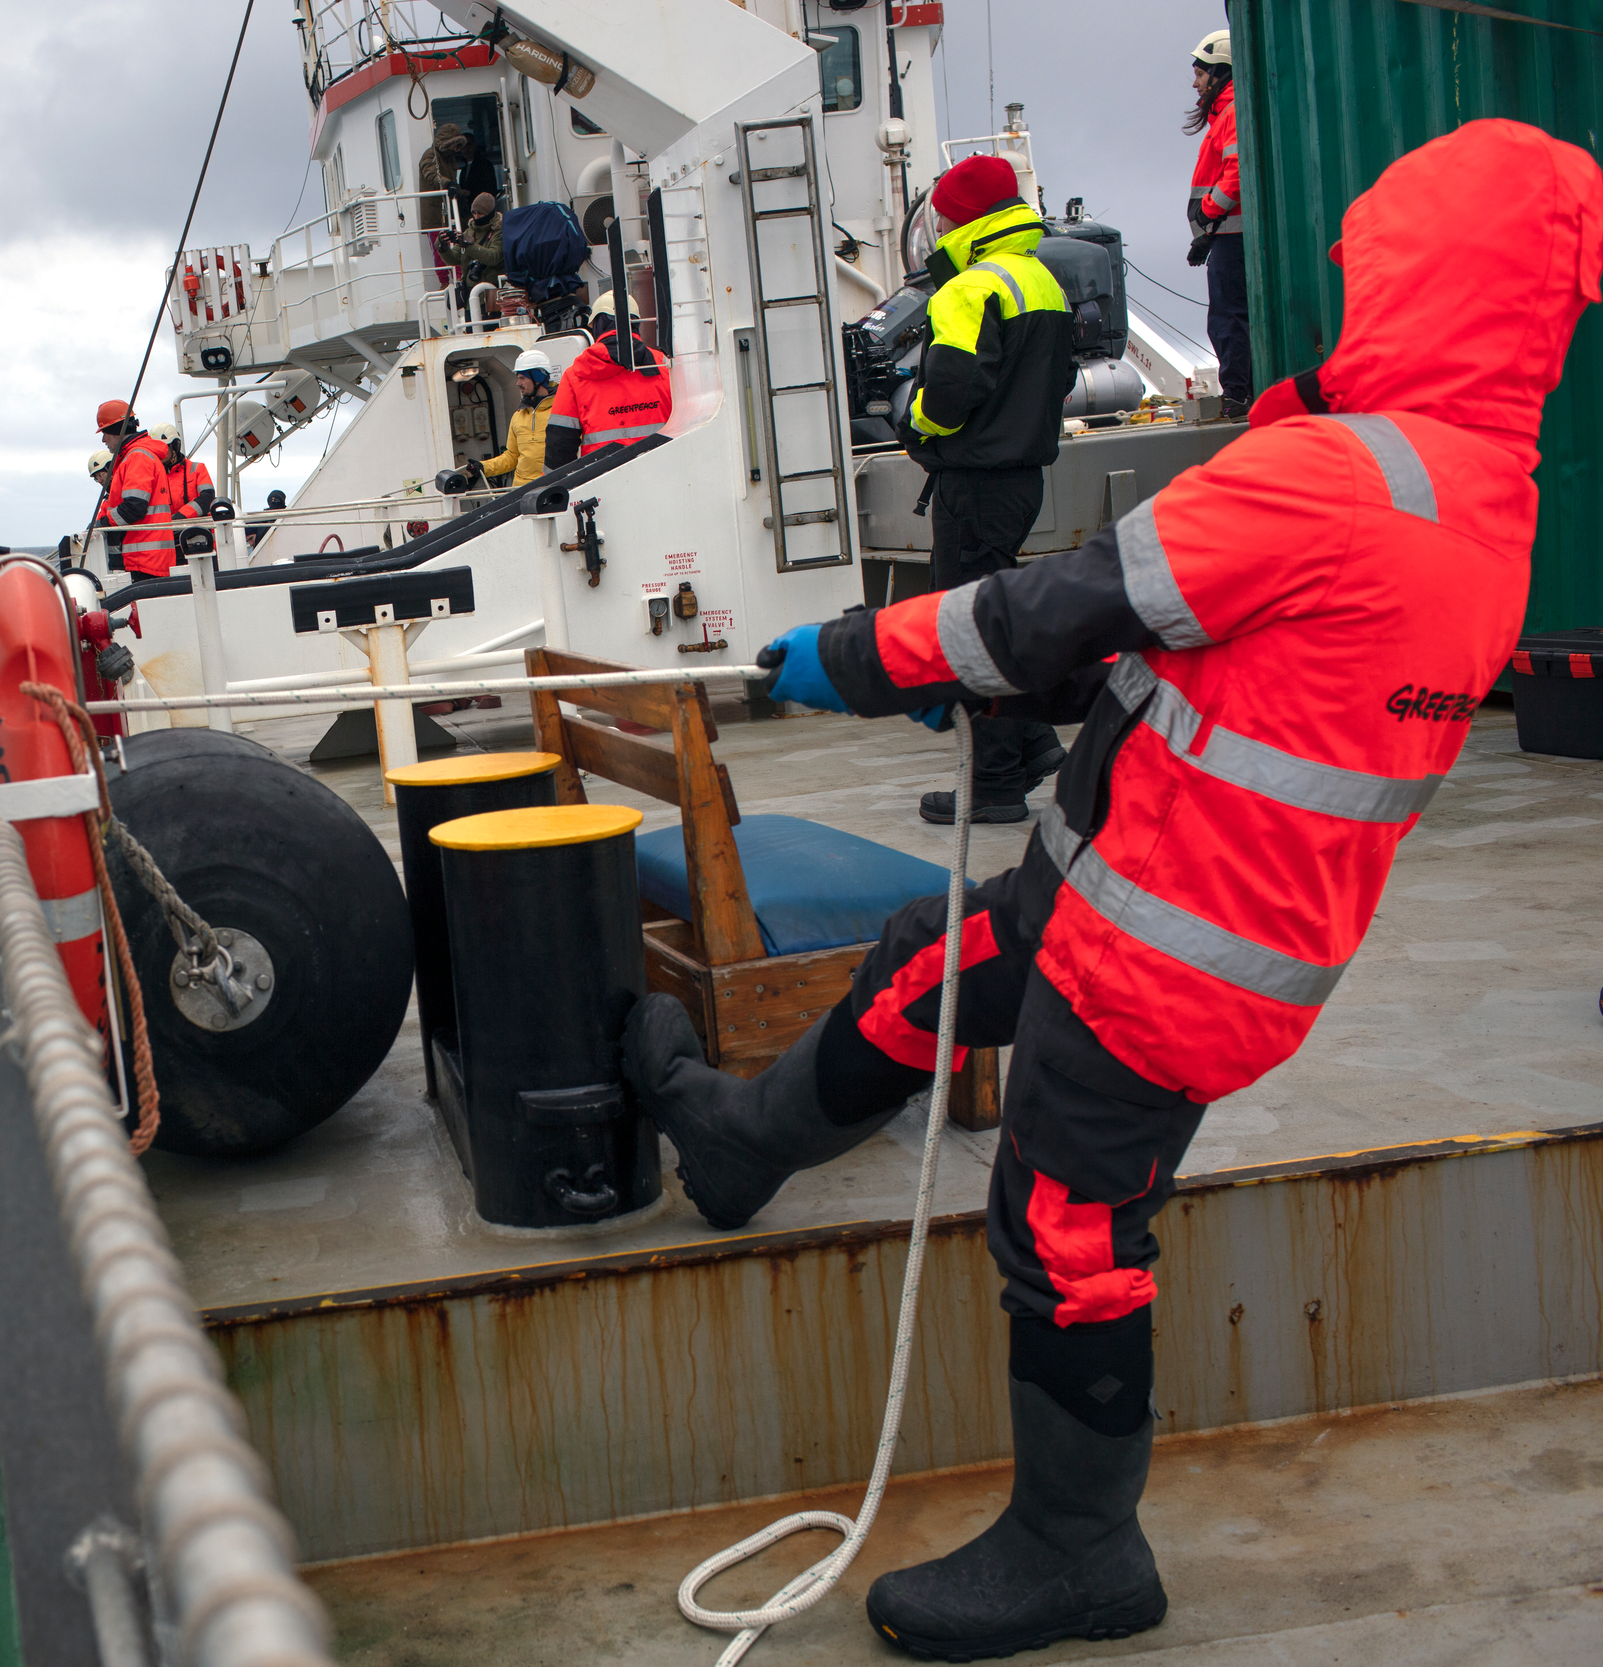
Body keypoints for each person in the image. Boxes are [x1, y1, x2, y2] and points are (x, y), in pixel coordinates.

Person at [626, 120, 1599, 1662]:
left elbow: (1049, 609)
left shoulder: (1330, 480)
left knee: (1065, 1226)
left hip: (1157, 955)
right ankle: (749, 1141)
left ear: (1415, 283)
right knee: (918, 963)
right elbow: (1278, 673)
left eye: (1372, 271)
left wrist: (852, 662)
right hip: (1167, 914)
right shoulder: (1486, 498)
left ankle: (1082, 1548)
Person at [899, 151, 1075, 825]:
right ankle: (1030, 743)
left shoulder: (970, 289)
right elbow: (1055, 383)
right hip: (1019, 479)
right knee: (997, 616)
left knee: (971, 631)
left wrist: (915, 422)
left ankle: (995, 780)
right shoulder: (1041, 280)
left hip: (971, 481)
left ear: (962, 219)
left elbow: (949, 390)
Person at [1187, 29, 1252, 415]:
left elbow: (1236, 174)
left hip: (1230, 236)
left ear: (1220, 72)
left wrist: (1208, 214)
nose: (1195, 83)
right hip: (1224, 235)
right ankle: (1244, 392)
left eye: (1200, 73)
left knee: (1228, 319)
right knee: (1231, 318)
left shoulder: (1230, 113)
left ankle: (1238, 396)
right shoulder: (1227, 113)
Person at [543, 291, 670, 466]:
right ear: (636, 323)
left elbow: (560, 446)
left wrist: (553, 490)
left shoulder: (575, 375)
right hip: (665, 474)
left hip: (602, 481)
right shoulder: (665, 366)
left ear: (597, 327)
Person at [98, 399, 177, 578]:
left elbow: (134, 507)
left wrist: (101, 525)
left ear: (116, 431)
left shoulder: (137, 457)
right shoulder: (134, 456)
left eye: (104, 433)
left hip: (144, 561)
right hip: (148, 558)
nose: (103, 439)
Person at [475, 348, 555, 486]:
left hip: (553, 489)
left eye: (522, 378)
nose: (518, 383)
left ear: (537, 378)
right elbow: (511, 457)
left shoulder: (561, 411)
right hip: (521, 493)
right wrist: (483, 467)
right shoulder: (518, 416)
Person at [419, 123, 496, 229]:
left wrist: (460, 193)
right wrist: (448, 184)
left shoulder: (449, 158)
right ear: (445, 142)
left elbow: (453, 181)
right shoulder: (430, 155)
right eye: (454, 144)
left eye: (458, 145)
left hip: (451, 213)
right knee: (441, 244)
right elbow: (431, 174)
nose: (456, 148)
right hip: (436, 217)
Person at [151, 421, 215, 518]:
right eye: (155, 449)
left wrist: (181, 516)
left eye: (162, 447)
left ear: (174, 446)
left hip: (196, 529)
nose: (158, 452)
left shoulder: (197, 469)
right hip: (165, 530)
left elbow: (207, 498)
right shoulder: (151, 475)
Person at [455, 192, 504, 288]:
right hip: (471, 292)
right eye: (474, 213)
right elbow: (454, 258)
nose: (476, 217)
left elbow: (493, 257)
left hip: (491, 291)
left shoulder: (499, 231)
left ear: (490, 213)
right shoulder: (470, 230)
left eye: (480, 213)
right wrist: (443, 248)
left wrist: (468, 246)